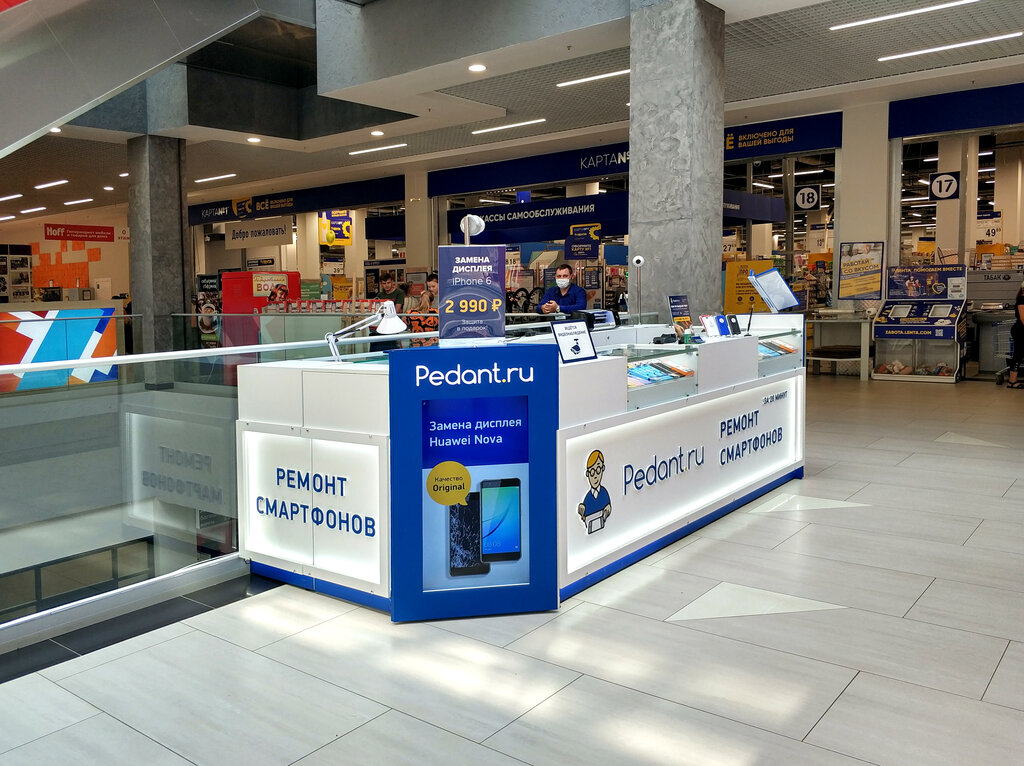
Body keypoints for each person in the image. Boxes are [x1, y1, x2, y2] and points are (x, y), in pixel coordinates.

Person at [406, 273, 439, 346]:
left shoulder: (444, 297)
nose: (431, 289)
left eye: (433, 286)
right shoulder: (425, 296)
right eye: (429, 287)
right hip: (428, 338)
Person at [1007, 281, 1024, 389]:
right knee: (1018, 355)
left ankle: (1012, 381)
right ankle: (1012, 381)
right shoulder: (1022, 299)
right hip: (1020, 331)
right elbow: (1023, 318)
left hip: (1020, 330)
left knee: (1019, 355)